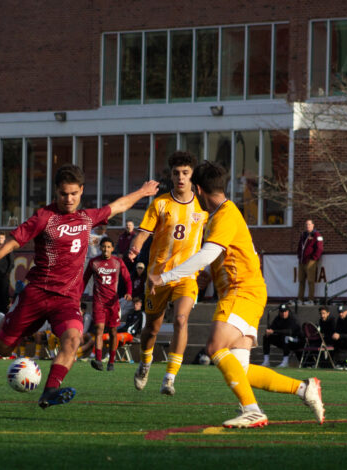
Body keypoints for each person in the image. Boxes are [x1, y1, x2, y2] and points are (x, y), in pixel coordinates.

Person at [0, 164, 158, 408]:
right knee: (3, 347)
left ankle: (49, 392)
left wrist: (143, 192)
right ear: (56, 193)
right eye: (63, 194)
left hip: (67, 300)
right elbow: (8, 245)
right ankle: (4, 325)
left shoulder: (87, 218)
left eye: (73, 193)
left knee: (73, 340)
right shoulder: (44, 218)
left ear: (81, 191)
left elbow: (120, 205)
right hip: (36, 294)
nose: (69, 199)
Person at [149, 161, 324, 428]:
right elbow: (216, 259)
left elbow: (207, 254)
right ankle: (304, 388)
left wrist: (165, 276)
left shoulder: (224, 216)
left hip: (241, 291)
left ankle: (252, 410)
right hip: (249, 292)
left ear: (198, 189)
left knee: (214, 347)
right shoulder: (223, 214)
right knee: (239, 370)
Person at [127, 151, 208, 396]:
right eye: (176, 173)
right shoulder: (161, 203)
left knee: (181, 320)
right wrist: (136, 245)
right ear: (171, 175)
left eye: (185, 173)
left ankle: (170, 378)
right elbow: (143, 231)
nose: (180, 177)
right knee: (151, 329)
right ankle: (145, 364)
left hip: (186, 277)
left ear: (193, 175)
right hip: (157, 277)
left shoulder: (203, 205)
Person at [82, 237, 132, 372]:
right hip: (99, 302)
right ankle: (98, 360)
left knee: (113, 331)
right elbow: (84, 280)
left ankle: (111, 361)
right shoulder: (94, 262)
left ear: (112, 249)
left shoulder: (117, 262)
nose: (106, 249)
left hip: (113, 303)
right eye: (104, 246)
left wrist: (129, 292)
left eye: (109, 247)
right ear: (100, 248)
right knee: (99, 328)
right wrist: (77, 295)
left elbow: (127, 279)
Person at [260, 303, 303, 368]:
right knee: (266, 337)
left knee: (285, 337)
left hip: (296, 341)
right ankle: (266, 361)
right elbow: (272, 328)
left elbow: (290, 332)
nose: (283, 313)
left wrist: (274, 331)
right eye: (281, 311)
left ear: (288, 311)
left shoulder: (293, 318)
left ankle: (285, 362)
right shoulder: (278, 318)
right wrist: (269, 331)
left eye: (285, 311)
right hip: (283, 340)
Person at [296, 219, 323, 305]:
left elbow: (319, 248)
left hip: (310, 261)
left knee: (311, 281)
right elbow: (300, 246)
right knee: (301, 280)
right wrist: (299, 255)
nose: (307, 226)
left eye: (309, 224)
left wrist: (314, 258)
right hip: (302, 261)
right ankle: (300, 299)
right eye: (306, 224)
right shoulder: (303, 235)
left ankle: (311, 299)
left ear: (313, 225)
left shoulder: (317, 235)